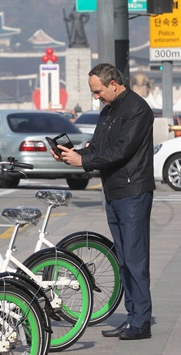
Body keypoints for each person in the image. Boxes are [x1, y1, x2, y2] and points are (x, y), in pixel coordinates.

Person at [52, 63, 155, 340]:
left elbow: (121, 151)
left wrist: (83, 161)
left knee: (135, 259)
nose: (96, 97)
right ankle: (133, 317)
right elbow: (99, 146)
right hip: (114, 191)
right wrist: (72, 154)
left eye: (98, 91)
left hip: (133, 191)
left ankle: (141, 322)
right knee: (123, 259)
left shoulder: (137, 108)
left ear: (113, 83)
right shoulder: (108, 111)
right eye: (93, 92)